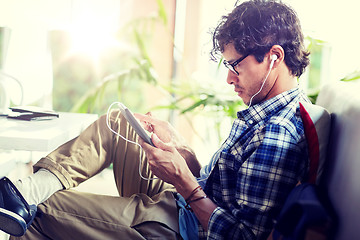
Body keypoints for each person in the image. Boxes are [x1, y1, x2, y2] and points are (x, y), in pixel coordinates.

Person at [0, 0, 312, 239]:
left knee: (36, 214)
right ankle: (26, 191)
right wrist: (183, 153)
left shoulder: (277, 133)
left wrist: (185, 183)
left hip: (183, 228)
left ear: (274, 57)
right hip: (183, 204)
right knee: (122, 122)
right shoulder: (267, 109)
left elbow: (241, 235)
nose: (230, 79)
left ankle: (26, 201)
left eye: (236, 66)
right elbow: (224, 188)